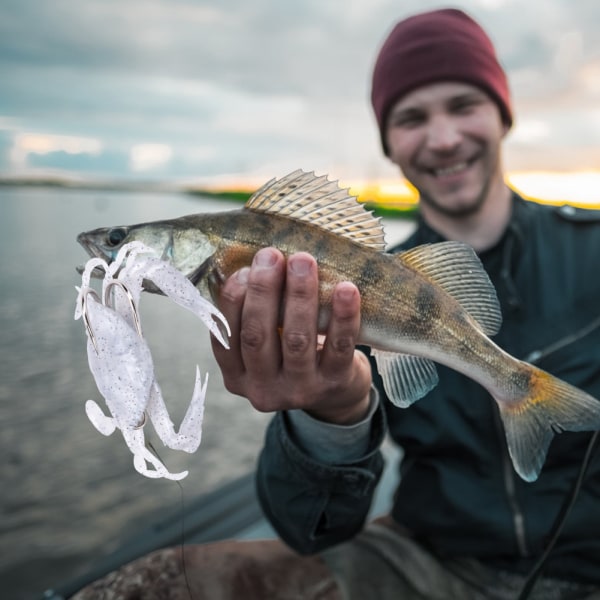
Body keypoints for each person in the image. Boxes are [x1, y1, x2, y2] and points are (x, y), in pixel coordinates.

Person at [73, 8, 600, 600]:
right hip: (427, 559)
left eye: (463, 105)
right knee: (153, 587)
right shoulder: (371, 278)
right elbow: (312, 529)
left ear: (503, 115)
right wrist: (331, 415)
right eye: (412, 117)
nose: (443, 137)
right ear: (390, 143)